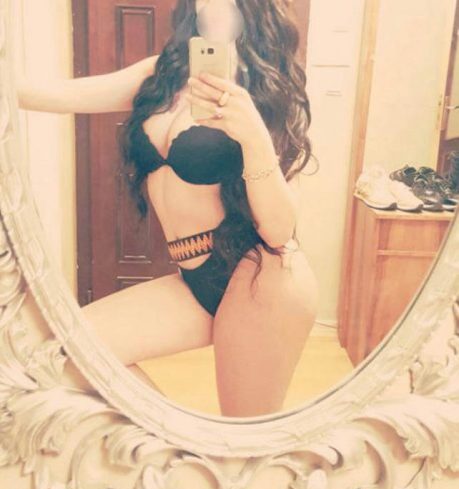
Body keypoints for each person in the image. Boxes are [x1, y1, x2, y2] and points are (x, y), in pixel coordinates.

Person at [17, 0, 319, 417]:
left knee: (244, 436)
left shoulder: (270, 95)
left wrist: (253, 136)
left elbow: (279, 230)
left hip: (261, 278)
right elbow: (53, 95)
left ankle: (197, 447)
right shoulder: (160, 77)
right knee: (62, 352)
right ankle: (180, 444)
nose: (213, 8)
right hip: (193, 279)